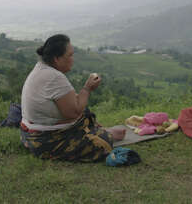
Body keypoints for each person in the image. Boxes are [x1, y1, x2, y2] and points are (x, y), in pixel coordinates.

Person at [20, 34, 125, 162]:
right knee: (104, 143)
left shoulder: (42, 68)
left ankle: (96, 131)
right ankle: (103, 133)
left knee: (85, 110)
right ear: (57, 59)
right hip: (46, 142)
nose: (72, 59)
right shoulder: (54, 77)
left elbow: (71, 102)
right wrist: (87, 88)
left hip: (29, 136)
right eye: (69, 55)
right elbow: (73, 113)